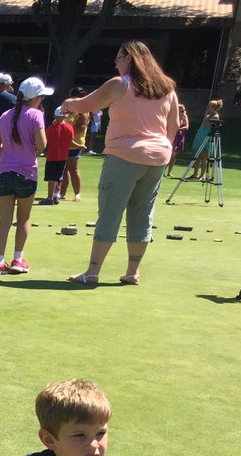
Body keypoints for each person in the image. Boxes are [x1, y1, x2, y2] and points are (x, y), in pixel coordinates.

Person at [61, 40, 180, 286]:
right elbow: (174, 126)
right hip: (158, 158)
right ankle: (132, 272)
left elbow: (87, 104)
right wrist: (162, 147)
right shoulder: (167, 87)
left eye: (118, 58)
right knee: (142, 214)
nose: (115, 64)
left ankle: (93, 272)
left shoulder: (121, 84)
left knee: (110, 212)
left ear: (129, 58)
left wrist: (67, 104)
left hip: (125, 155)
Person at [0, 76, 50, 275]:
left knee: (4, 221)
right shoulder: (36, 115)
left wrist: (10, 149)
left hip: (4, 173)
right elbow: (42, 145)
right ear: (35, 98)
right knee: (23, 219)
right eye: (41, 97)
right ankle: (18, 259)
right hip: (26, 173)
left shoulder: (5, 115)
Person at [61, 86, 89, 201]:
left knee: (73, 169)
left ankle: (77, 193)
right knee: (63, 169)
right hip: (63, 143)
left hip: (75, 144)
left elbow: (81, 127)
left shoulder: (83, 110)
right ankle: (62, 193)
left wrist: (67, 131)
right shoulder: (68, 108)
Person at [41, 105, 72, 204]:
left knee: (51, 177)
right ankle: (56, 195)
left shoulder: (50, 128)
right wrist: (80, 146)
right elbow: (70, 141)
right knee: (59, 177)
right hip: (63, 156)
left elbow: (46, 141)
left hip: (52, 156)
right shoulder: (69, 127)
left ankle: (50, 197)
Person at [189, 99, 221, 181]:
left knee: (204, 157)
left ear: (214, 108)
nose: (207, 108)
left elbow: (206, 124)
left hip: (207, 137)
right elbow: (202, 124)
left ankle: (202, 175)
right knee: (197, 156)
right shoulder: (207, 116)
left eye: (209, 106)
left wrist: (206, 116)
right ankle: (195, 174)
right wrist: (206, 115)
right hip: (200, 136)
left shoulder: (215, 116)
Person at [166, 101, 189, 177]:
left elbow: (186, 127)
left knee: (175, 155)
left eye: (184, 109)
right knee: (171, 154)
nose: (183, 111)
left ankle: (169, 172)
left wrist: (179, 128)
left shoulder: (184, 117)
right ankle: (163, 170)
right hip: (174, 135)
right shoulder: (174, 116)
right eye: (181, 109)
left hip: (180, 136)